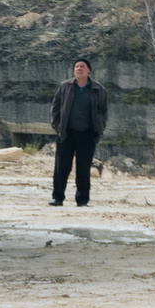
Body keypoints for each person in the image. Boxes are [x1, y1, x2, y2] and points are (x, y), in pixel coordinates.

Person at [49, 58, 108, 207]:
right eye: (76, 66)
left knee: (83, 168)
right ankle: (57, 198)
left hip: (87, 134)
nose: (78, 69)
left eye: (82, 66)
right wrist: (57, 126)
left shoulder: (98, 89)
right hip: (66, 134)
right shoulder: (65, 86)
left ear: (89, 70)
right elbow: (55, 107)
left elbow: (103, 111)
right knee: (61, 167)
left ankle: (82, 200)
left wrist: (99, 129)